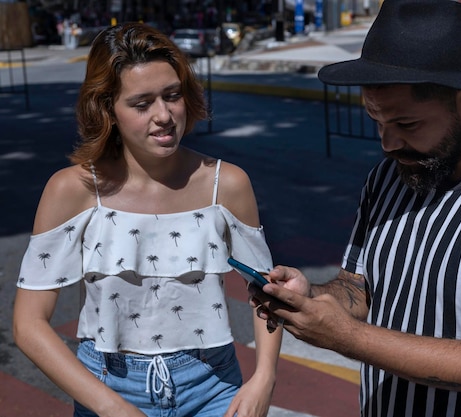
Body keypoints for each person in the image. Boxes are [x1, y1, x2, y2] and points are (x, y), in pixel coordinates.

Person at [251, 1, 461, 416]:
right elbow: (359, 288)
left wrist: (345, 337)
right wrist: (311, 296)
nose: (387, 143)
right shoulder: (389, 177)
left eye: (407, 125)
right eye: (377, 122)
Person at [13, 22, 281, 417]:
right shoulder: (74, 189)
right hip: (106, 387)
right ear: (107, 109)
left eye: (172, 96)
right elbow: (28, 324)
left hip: (214, 387)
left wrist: (264, 378)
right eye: (141, 104)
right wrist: (112, 407)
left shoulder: (228, 184)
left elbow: (267, 292)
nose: (164, 115)